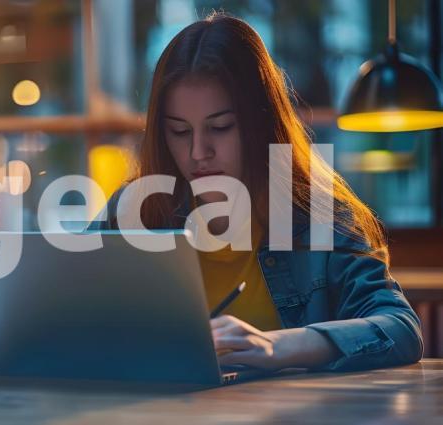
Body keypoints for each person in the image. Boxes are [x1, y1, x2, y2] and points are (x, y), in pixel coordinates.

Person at [92, 13, 423, 372]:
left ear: (260, 123)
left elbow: (400, 330)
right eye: (180, 132)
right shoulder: (138, 208)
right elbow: (63, 307)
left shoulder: (319, 216)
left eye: (221, 127)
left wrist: (279, 346)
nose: (198, 152)